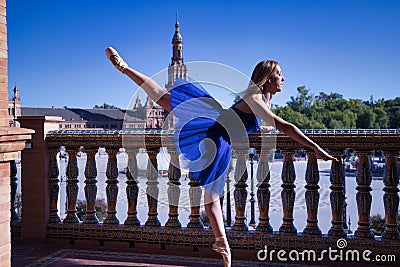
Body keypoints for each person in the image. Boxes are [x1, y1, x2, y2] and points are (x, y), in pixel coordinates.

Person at [105, 47, 337, 267]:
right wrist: (315, 148)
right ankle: (124, 68)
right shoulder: (256, 99)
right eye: (279, 74)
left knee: (211, 198)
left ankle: (222, 244)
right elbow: (286, 127)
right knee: (164, 99)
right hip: (214, 131)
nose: (283, 79)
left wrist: (261, 130)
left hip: (221, 137)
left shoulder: (264, 100)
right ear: (267, 78)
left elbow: (258, 123)